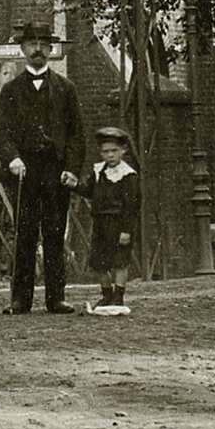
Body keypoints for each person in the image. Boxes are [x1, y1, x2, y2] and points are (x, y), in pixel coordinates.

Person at [0, 15, 86, 313]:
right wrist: (13, 159)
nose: (38, 50)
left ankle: (56, 297)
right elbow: (1, 134)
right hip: (25, 171)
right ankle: (20, 299)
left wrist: (71, 168)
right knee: (25, 234)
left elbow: (76, 134)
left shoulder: (65, 89)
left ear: (51, 50)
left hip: (55, 171)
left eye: (43, 45)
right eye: (32, 44)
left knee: (55, 233)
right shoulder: (10, 90)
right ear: (22, 49)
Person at [86, 122, 141, 312]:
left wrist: (126, 230)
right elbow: (88, 191)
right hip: (100, 223)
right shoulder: (98, 172)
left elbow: (132, 206)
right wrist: (72, 184)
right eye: (105, 152)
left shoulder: (128, 176)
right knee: (99, 262)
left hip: (118, 224)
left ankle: (118, 296)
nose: (110, 155)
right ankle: (106, 294)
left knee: (119, 261)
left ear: (123, 150)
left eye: (114, 151)